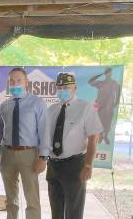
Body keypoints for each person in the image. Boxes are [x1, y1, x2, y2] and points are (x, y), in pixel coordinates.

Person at [47, 73, 103, 219]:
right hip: (53, 165)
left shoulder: (85, 108)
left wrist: (89, 165)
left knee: (74, 212)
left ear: (75, 88)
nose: (62, 90)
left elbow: (94, 137)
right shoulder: (51, 110)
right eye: (59, 87)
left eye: (66, 87)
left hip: (75, 165)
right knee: (56, 211)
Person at [0, 67, 49, 219]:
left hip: (30, 155)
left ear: (26, 82)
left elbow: (44, 130)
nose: (15, 83)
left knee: (32, 198)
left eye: (18, 80)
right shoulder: (5, 106)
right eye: (11, 81)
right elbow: (0, 132)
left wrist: (43, 157)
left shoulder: (37, 103)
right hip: (7, 154)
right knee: (10, 199)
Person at [88, 68, 120, 144]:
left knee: (107, 123)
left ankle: (105, 136)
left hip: (109, 107)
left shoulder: (114, 83)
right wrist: (99, 74)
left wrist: (116, 102)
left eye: (109, 72)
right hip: (99, 107)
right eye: (106, 72)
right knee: (98, 122)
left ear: (111, 73)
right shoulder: (100, 83)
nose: (108, 74)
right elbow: (89, 82)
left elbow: (118, 93)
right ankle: (100, 136)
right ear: (105, 74)